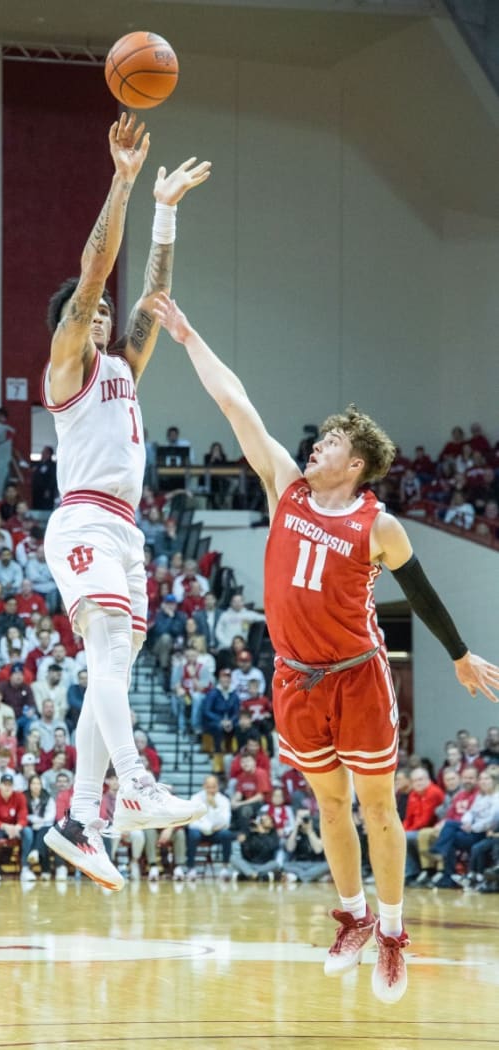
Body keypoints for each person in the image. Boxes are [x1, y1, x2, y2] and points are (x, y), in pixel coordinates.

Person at [154, 292, 499, 1004]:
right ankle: (353, 916)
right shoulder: (286, 486)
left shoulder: (381, 526)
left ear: (359, 463)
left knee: (378, 808)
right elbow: (236, 404)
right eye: (320, 440)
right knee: (329, 807)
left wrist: (460, 653)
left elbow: (425, 594)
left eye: (332, 444)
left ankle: (395, 933)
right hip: (294, 679)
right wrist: (189, 337)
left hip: (358, 677)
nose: (317, 446)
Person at [39, 113, 211, 891]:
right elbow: (99, 269)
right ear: (73, 324)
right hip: (81, 517)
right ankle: (135, 784)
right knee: (105, 647)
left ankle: (82, 820)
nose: (104, 315)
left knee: (110, 661)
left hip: (127, 531)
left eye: (105, 315)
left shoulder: (122, 366)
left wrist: (167, 210)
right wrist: (125, 180)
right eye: (91, 311)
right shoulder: (69, 366)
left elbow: (150, 296)